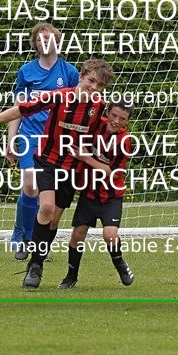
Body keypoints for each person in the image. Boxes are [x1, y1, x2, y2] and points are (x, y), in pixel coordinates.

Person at [0, 58, 114, 289]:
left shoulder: (99, 107)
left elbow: (104, 133)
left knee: (54, 221)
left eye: (99, 85)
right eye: (91, 81)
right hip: (47, 160)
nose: (94, 87)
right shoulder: (60, 96)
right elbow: (22, 108)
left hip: (72, 168)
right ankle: (35, 268)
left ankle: (37, 260)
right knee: (47, 207)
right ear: (81, 77)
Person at [6, 23, 79, 260]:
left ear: (57, 41)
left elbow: (75, 110)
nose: (44, 42)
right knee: (30, 185)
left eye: (48, 38)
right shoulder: (26, 71)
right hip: (29, 136)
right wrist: (11, 139)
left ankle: (34, 239)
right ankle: (26, 239)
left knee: (46, 196)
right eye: (40, 39)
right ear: (35, 44)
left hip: (56, 141)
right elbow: (19, 107)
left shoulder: (70, 72)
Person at [59, 100, 135, 289]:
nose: (116, 121)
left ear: (127, 121)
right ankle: (71, 276)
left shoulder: (124, 141)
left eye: (122, 119)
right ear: (107, 112)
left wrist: (86, 158)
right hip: (89, 193)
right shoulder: (95, 126)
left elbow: (114, 172)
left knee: (109, 234)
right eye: (114, 115)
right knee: (77, 235)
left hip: (111, 196)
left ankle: (120, 263)